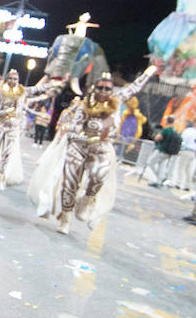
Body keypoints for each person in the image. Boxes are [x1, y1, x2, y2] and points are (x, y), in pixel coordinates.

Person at [32, 66, 159, 234]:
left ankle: (88, 198)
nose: (104, 91)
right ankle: (66, 218)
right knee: (70, 182)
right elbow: (73, 130)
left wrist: (148, 72)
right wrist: (86, 137)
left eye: (107, 88)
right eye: (100, 87)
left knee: (101, 172)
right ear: (93, 88)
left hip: (101, 147)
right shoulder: (83, 105)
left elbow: (133, 88)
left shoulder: (116, 101)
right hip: (78, 146)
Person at [0, 68, 56, 190]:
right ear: (7, 79)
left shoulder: (21, 91)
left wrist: (53, 84)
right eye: (10, 78)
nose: (13, 81)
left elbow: (36, 89)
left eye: (15, 79)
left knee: (7, 153)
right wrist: (7, 111)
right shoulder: (0, 92)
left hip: (13, 126)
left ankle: (1, 176)